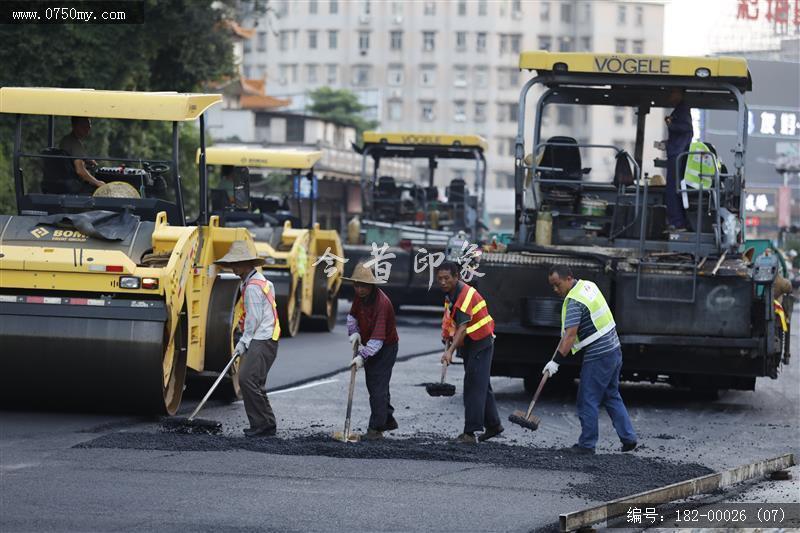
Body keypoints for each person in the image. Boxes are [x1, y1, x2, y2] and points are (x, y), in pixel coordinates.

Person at [545, 265, 637, 454]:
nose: (555, 290)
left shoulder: (574, 302)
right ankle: (629, 438)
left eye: (557, 285)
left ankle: (587, 445)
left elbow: (570, 336)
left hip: (600, 354)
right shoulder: (587, 286)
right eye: (552, 286)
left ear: (568, 278)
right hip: (614, 349)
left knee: (587, 398)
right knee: (611, 395)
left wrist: (555, 361)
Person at [214, 240, 281, 438]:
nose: (233, 267)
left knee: (246, 379)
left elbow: (254, 317)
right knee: (255, 382)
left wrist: (244, 341)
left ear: (248, 264)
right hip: (267, 337)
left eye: (236, 263)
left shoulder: (252, 286)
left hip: (262, 338)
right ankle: (266, 424)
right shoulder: (261, 280)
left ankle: (262, 424)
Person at [438, 261, 503, 444]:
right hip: (472, 342)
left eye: (447, 278)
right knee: (482, 384)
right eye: (440, 279)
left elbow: (463, 328)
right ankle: (494, 425)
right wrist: (446, 336)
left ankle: (469, 433)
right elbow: (450, 319)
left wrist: (450, 351)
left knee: (473, 384)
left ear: (456, 277)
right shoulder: (450, 294)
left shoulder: (465, 296)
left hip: (480, 342)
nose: (443, 282)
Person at [344, 262, 400, 441]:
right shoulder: (359, 297)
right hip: (371, 342)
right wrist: (354, 334)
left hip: (386, 347)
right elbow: (352, 316)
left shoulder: (382, 304)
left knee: (377, 387)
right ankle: (387, 418)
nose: (359, 289)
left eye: (363, 285)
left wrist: (362, 356)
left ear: (372, 285)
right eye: (356, 285)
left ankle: (376, 430)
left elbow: (377, 340)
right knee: (378, 385)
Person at [664, 89, 693, 232]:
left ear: (679, 94)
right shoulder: (680, 109)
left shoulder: (683, 110)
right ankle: (676, 221)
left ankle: (677, 222)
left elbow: (687, 128)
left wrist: (671, 125)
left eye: (671, 93)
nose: (669, 96)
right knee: (672, 189)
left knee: (672, 189)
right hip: (676, 151)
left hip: (678, 153)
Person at [58, 117, 104, 191]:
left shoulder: (66, 139)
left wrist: (85, 161)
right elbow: (80, 170)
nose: (87, 129)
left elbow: (69, 161)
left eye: (89, 126)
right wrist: (97, 182)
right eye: (84, 126)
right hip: (73, 184)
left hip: (65, 180)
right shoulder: (75, 143)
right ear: (74, 125)